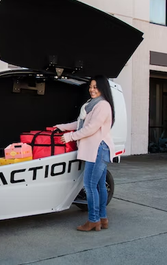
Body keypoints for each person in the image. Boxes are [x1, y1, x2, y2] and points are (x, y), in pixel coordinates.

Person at [55, 75, 115, 232]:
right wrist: (62, 127)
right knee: (100, 185)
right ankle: (103, 218)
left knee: (89, 185)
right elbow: (81, 123)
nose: (92, 89)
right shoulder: (91, 104)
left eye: (95, 87)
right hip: (95, 148)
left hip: (98, 149)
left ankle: (93, 220)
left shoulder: (102, 105)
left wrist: (70, 136)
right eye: (90, 87)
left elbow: (91, 128)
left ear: (103, 88)